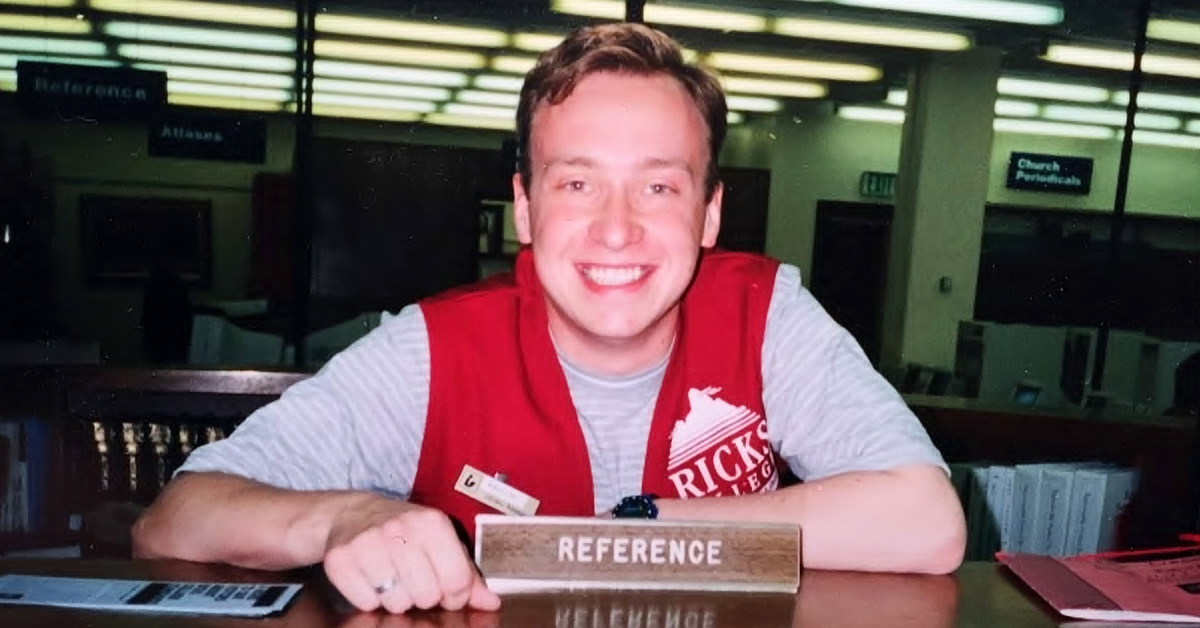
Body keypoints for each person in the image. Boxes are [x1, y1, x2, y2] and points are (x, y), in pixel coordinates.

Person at [133, 22, 966, 614]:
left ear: (709, 214)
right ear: (525, 208)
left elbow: (925, 524)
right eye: (576, 183)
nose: (615, 228)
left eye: (659, 186)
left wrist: (637, 528)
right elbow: (177, 518)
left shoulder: (768, 313)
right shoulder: (432, 348)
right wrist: (344, 517)